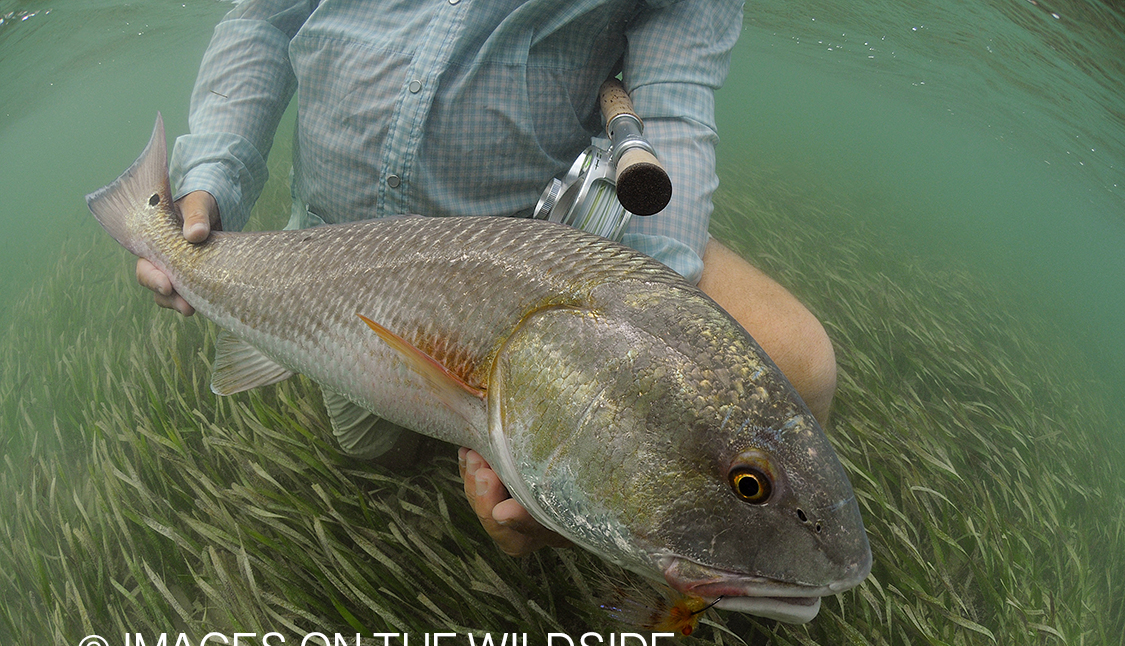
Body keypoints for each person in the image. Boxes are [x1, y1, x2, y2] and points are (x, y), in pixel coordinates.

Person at [138, 0, 837, 557]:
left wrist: (644, 343)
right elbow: (264, 18)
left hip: (530, 255)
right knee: (375, 450)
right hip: (327, 256)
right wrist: (210, 179)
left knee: (797, 361)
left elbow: (672, 113)